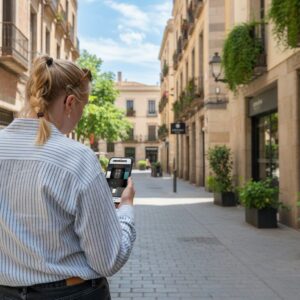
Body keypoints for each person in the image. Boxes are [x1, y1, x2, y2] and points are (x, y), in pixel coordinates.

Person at [0, 56, 136, 299]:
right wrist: (125, 209)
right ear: (70, 102)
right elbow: (108, 260)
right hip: (71, 293)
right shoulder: (78, 159)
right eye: (83, 107)